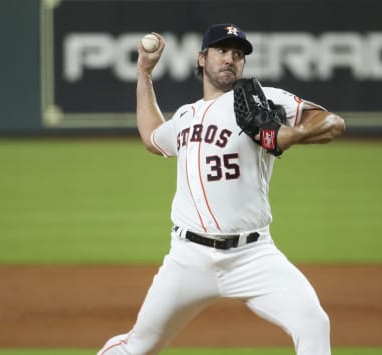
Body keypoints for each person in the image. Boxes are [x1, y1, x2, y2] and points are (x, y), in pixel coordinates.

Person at [98, 23, 345, 355]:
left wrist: (288, 133)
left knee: (313, 323)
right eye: (222, 51)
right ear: (202, 59)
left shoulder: (263, 99)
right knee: (139, 346)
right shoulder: (186, 116)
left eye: (239, 54)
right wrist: (144, 71)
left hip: (253, 255)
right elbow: (152, 136)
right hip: (189, 258)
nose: (231, 58)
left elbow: (331, 123)